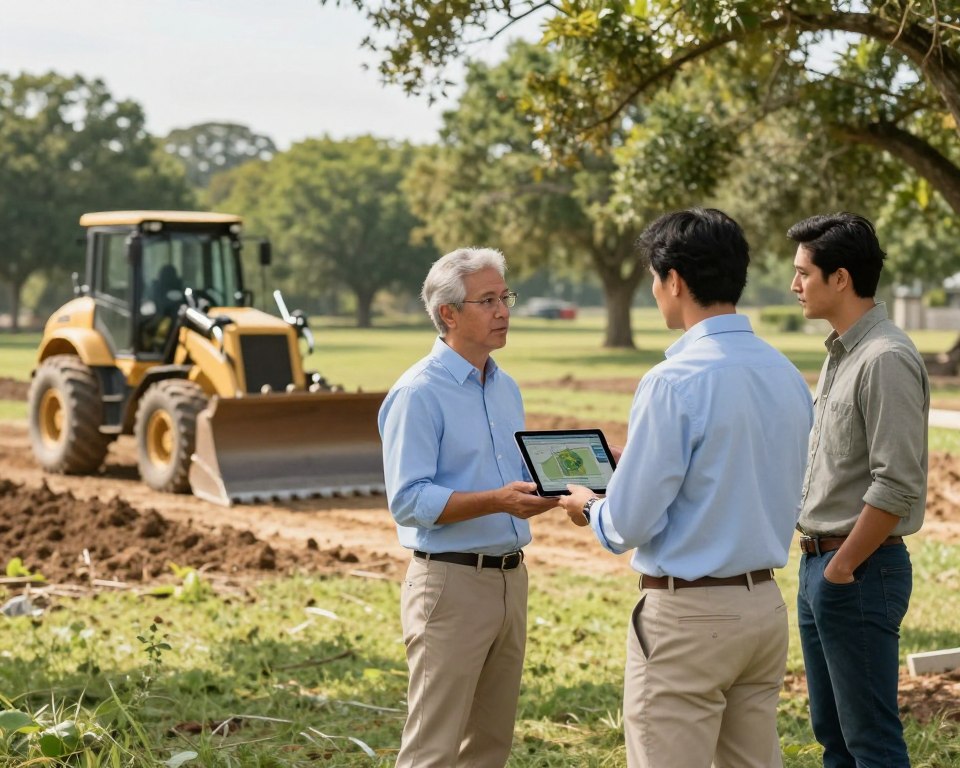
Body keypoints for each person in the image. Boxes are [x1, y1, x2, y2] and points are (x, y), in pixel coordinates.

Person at [558, 207, 814, 768]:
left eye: (654, 278)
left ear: (674, 280)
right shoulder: (786, 373)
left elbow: (628, 524)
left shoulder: (674, 380)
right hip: (763, 609)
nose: (653, 291)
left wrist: (591, 504)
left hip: (688, 617)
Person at [378, 247, 557, 767]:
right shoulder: (418, 393)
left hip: (509, 579)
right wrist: (497, 500)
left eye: (506, 297)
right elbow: (408, 500)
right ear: (448, 314)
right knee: (432, 748)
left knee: (489, 746)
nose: (503, 311)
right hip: (449, 587)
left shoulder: (506, 388)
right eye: (488, 300)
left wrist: (558, 489)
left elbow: (511, 485)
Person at [788, 212, 929, 768]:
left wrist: (841, 568)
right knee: (835, 739)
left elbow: (896, 483)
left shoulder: (885, 359)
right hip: (821, 569)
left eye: (804, 273)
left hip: (859, 570)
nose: (795, 286)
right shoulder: (841, 353)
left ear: (840, 278)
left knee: (870, 743)